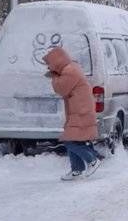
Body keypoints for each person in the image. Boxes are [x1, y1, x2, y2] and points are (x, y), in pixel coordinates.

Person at [44, 47, 101, 181]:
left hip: (81, 111)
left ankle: (92, 160)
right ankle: (77, 170)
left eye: (49, 64)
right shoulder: (70, 69)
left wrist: (53, 76)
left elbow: (60, 89)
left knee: (69, 140)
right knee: (73, 139)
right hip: (78, 110)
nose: (48, 67)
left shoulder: (70, 71)